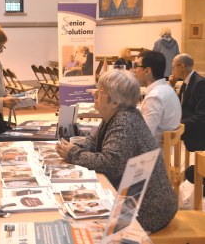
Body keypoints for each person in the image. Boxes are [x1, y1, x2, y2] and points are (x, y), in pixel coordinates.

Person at [55, 70, 177, 233]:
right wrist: (75, 147)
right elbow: (95, 140)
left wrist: (73, 153)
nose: (95, 94)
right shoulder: (116, 116)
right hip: (138, 198)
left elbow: (110, 164)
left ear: (114, 102)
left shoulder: (124, 122)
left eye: (100, 92)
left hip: (147, 210)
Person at [169, 53, 205, 193]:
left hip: (198, 132)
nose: (172, 71)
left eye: (173, 67)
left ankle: (188, 177)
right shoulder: (186, 82)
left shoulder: (199, 83)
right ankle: (175, 177)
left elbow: (202, 115)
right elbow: (177, 105)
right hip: (187, 128)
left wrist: (180, 125)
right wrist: (171, 85)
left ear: (182, 66)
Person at [134, 51, 181, 148]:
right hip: (163, 150)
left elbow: (144, 136)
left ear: (147, 70)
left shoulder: (154, 97)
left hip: (152, 156)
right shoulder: (168, 89)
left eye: (137, 66)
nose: (134, 70)